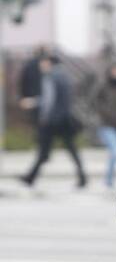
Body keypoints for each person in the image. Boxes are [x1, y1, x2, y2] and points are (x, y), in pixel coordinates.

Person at [20, 54, 87, 188]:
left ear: (48, 63)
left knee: (44, 150)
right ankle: (82, 177)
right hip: (63, 119)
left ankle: (30, 178)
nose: (40, 66)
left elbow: (48, 100)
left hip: (52, 121)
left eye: (42, 63)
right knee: (70, 149)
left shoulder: (51, 77)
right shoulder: (64, 76)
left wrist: (36, 107)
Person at [92, 63, 116, 187]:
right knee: (115, 152)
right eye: (114, 70)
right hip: (106, 124)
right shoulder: (103, 86)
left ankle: (110, 180)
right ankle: (109, 181)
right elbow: (95, 102)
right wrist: (104, 113)